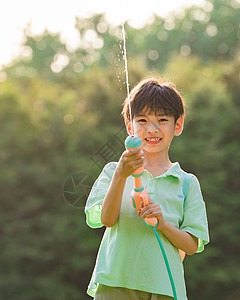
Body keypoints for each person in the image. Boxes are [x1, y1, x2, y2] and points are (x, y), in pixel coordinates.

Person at [84, 77, 209, 299]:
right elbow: (107, 219)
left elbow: (191, 245)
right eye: (142, 120)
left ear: (177, 125)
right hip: (115, 282)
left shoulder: (187, 182)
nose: (152, 129)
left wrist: (163, 224)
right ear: (129, 125)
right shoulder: (114, 171)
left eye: (162, 120)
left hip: (165, 289)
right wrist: (121, 175)